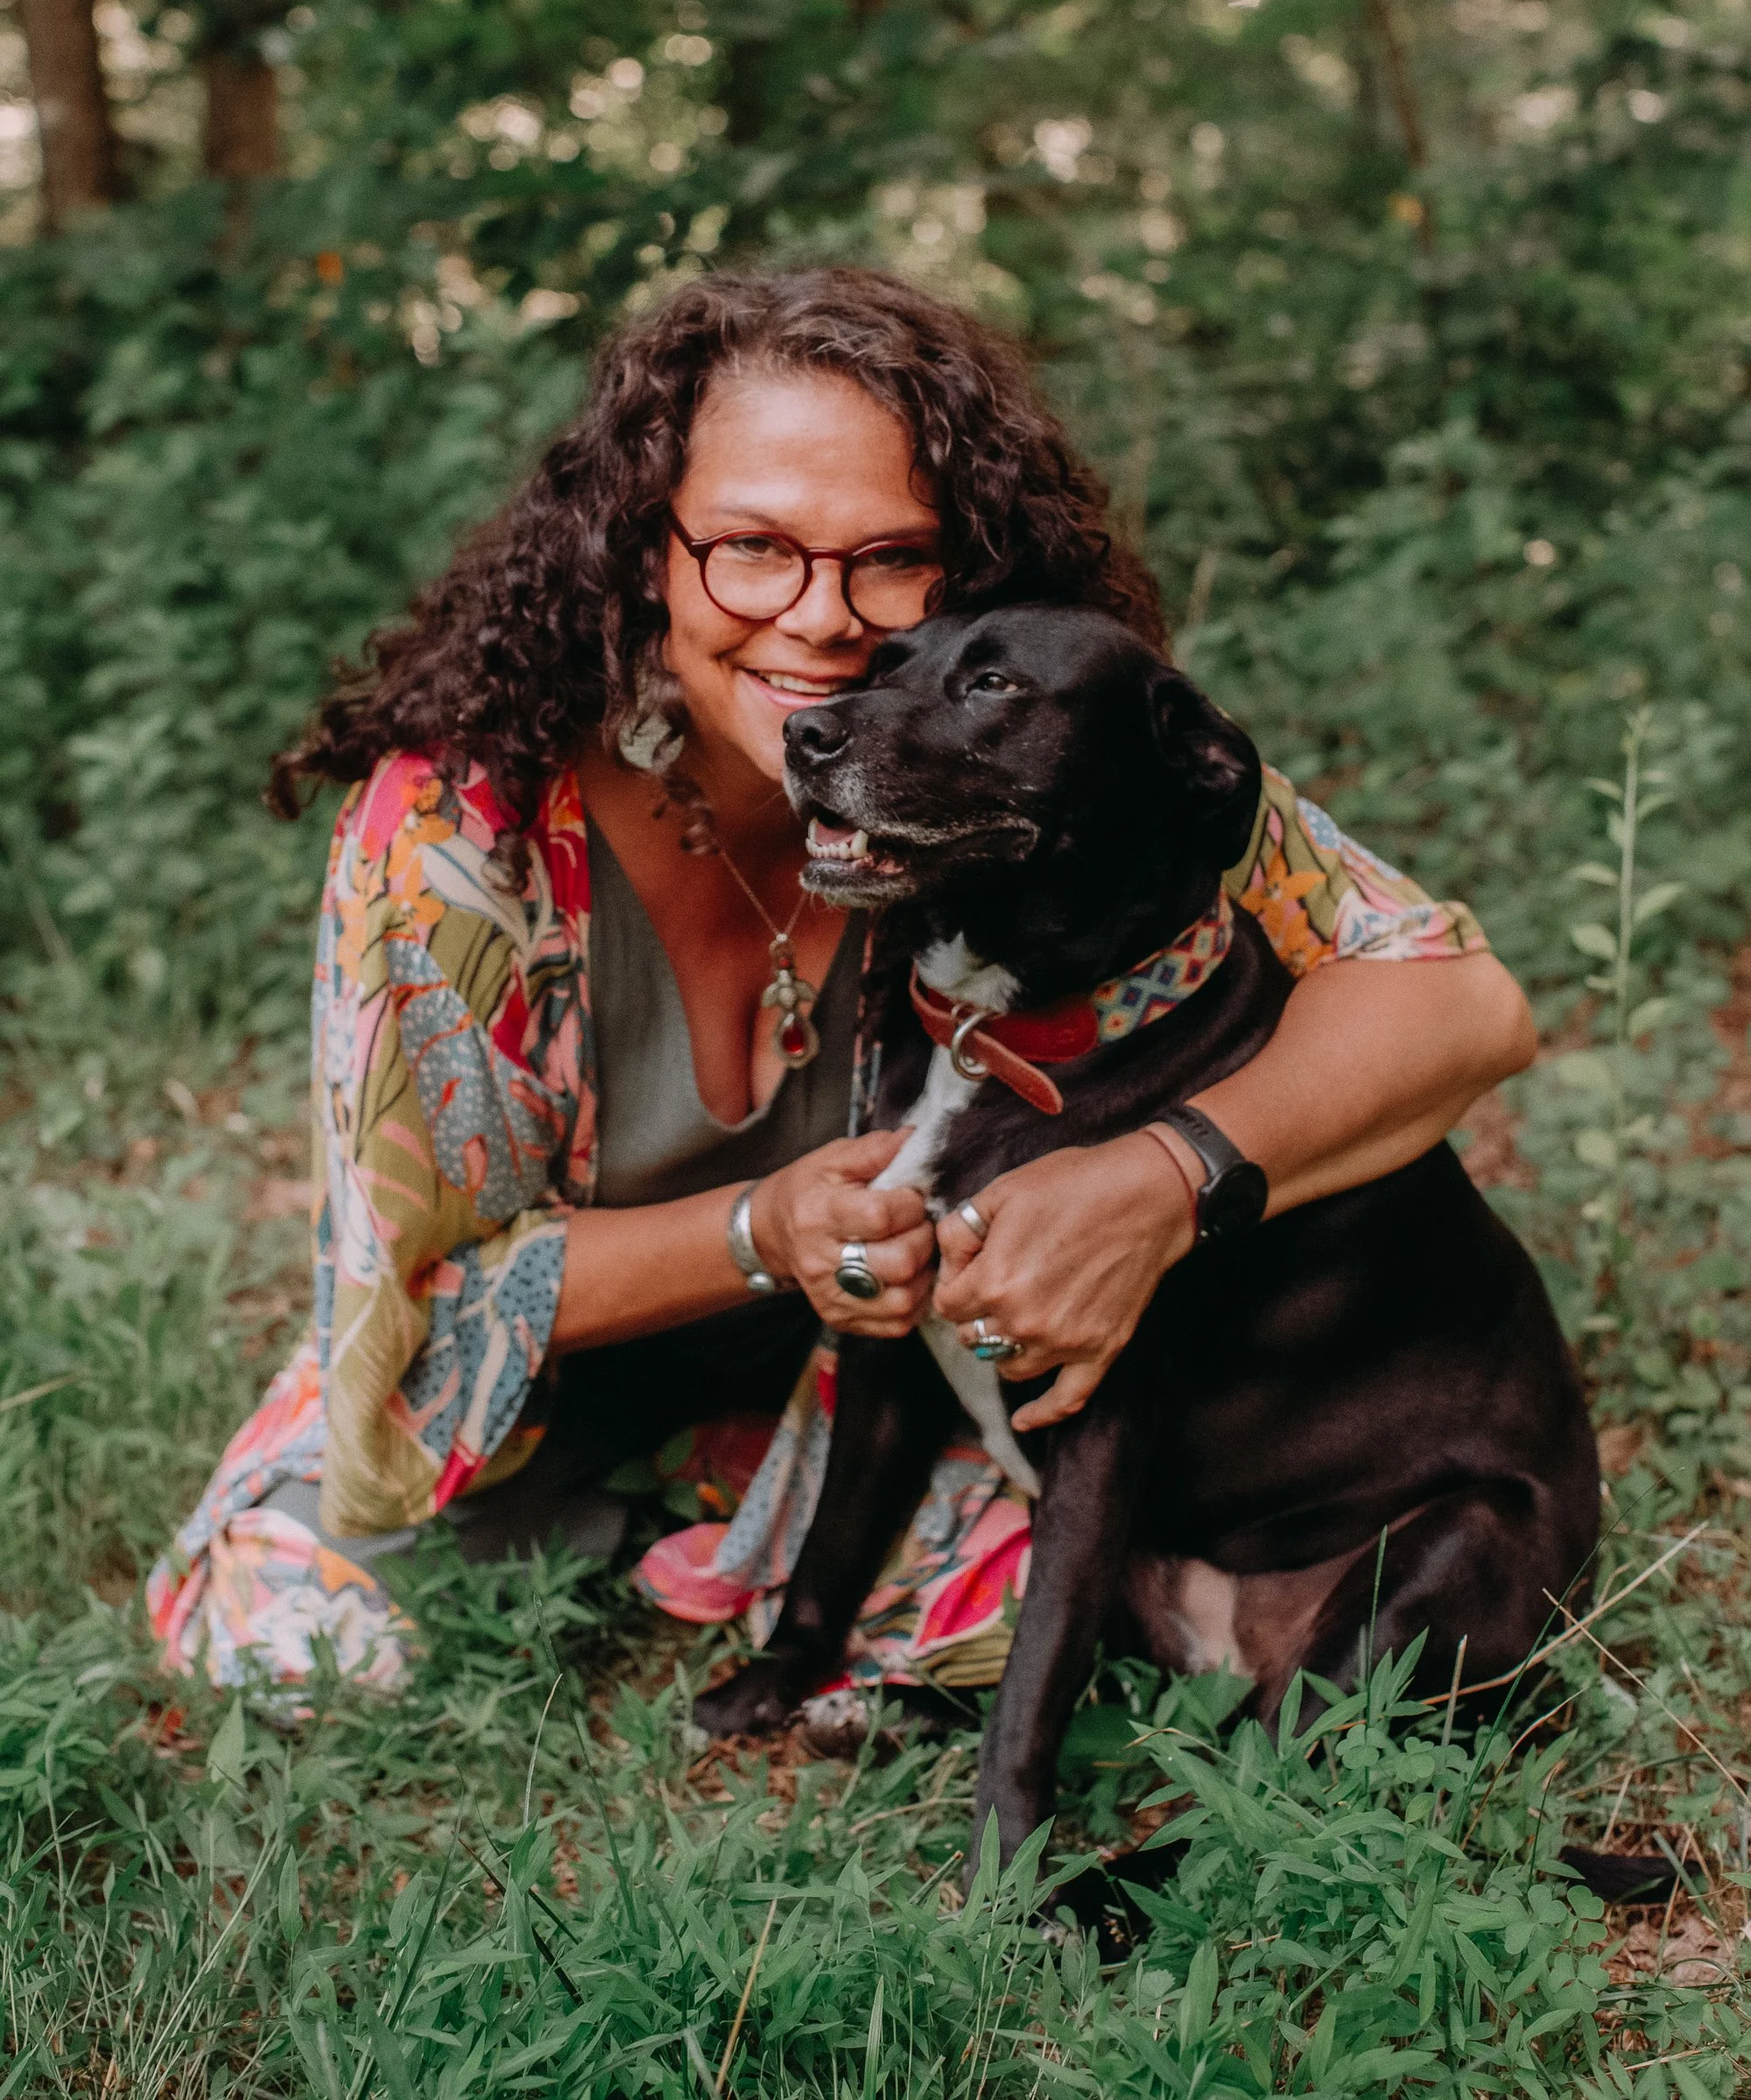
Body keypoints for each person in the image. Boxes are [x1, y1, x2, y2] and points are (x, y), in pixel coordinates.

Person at [147, 267, 1536, 1699]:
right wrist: (764, 1228)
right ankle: (622, 1526)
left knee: (1102, 1625)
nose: (819, 620)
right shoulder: (455, 840)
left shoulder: (1014, 781)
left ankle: (716, 1545)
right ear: (647, 551)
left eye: (892, 559)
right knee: (290, 1647)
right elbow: (415, 1296)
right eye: (754, 549)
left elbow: (1461, 1000)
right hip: (517, 1407)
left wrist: (1161, 1180)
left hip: (852, 1402)